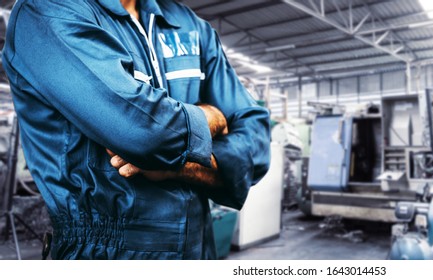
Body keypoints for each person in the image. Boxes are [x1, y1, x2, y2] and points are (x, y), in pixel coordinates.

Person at [1, 0, 271, 259]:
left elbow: (256, 144)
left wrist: (176, 166)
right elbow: (147, 135)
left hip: (199, 248)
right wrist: (212, 116)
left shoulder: (190, 26)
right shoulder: (48, 10)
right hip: (104, 254)